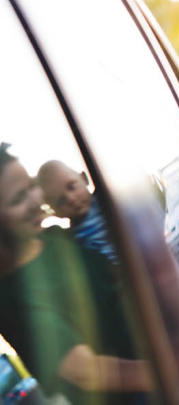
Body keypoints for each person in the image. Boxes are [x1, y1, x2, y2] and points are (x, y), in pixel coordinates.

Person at [0, 143, 152, 402]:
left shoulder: (58, 236)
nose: (36, 201)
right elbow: (87, 371)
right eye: (18, 199)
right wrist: (168, 369)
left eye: (31, 186)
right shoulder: (14, 296)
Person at [37, 159, 118, 264]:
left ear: (84, 179)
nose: (71, 199)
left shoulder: (108, 202)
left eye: (71, 187)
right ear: (56, 212)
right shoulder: (69, 240)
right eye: (61, 201)